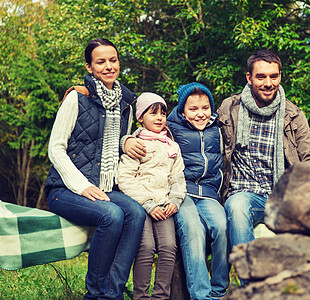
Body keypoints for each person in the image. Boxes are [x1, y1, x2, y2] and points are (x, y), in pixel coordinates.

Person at [44, 38, 146, 300]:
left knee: (135, 212)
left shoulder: (126, 102)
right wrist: (83, 186)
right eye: (101, 62)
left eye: (113, 60)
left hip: (105, 184)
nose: (109, 66)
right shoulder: (77, 97)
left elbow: (114, 140)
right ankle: (94, 294)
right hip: (65, 189)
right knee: (111, 215)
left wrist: (127, 140)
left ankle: (112, 293)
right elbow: (56, 148)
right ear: (89, 67)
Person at [123, 83, 229, 300]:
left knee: (222, 227)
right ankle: (201, 295)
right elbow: (144, 129)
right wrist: (126, 140)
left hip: (207, 193)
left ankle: (218, 291)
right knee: (192, 229)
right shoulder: (170, 127)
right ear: (182, 111)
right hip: (181, 193)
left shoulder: (218, 128)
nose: (200, 114)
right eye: (193, 109)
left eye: (205, 107)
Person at [217, 49, 310, 251]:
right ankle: (251, 280)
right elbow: (199, 129)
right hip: (243, 194)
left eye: (274, 76)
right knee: (237, 208)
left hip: (282, 196)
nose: (268, 83)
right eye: (261, 76)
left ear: (280, 76)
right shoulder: (230, 107)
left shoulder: (293, 115)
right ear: (249, 78)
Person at [117, 93, 186, 300]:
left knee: (168, 247)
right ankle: (140, 296)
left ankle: (160, 297)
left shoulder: (171, 146)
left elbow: (178, 176)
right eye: (153, 113)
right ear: (140, 118)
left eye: (163, 113)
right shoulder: (136, 144)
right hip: (142, 206)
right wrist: (147, 203)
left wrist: (175, 199)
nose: (159, 118)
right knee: (146, 247)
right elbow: (125, 178)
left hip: (165, 205)